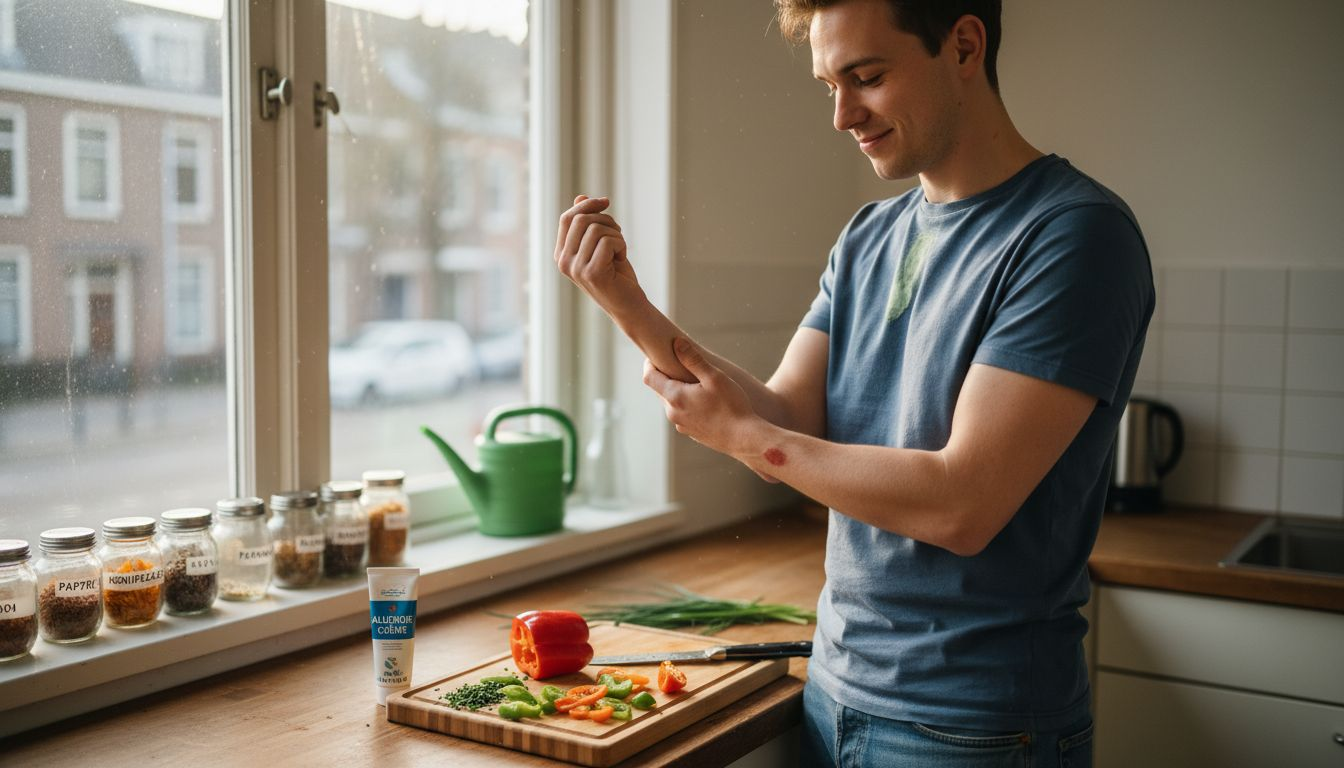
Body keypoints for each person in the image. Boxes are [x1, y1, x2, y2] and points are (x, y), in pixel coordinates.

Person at [552, 0, 1153, 764]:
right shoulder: (869, 235)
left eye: (866, 77)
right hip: (834, 692)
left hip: (976, 725)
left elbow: (963, 504)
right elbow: (783, 417)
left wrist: (746, 440)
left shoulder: (1073, 234)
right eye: (829, 86)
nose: (842, 116)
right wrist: (626, 304)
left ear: (964, 46)